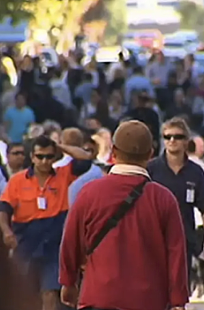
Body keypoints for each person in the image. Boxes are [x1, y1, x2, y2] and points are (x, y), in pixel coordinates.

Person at [59, 120, 189, 310]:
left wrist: (68, 282)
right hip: (149, 301)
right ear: (150, 154)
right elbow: (176, 253)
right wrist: (178, 299)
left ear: (113, 152)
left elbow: (70, 242)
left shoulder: (89, 193)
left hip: (99, 297)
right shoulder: (163, 198)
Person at [0, 135, 91, 310]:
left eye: (49, 156)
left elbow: (85, 158)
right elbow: (4, 209)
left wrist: (59, 145)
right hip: (26, 241)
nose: (44, 161)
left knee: (49, 292)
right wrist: (6, 231)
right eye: (40, 156)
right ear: (32, 157)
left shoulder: (64, 175)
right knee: (25, 293)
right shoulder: (18, 180)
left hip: (53, 243)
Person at [147, 117, 204, 282]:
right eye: (167, 137)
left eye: (178, 136)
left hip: (184, 242)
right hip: (153, 240)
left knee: (180, 294)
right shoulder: (151, 169)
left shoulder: (196, 172)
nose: (172, 140)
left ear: (186, 141)